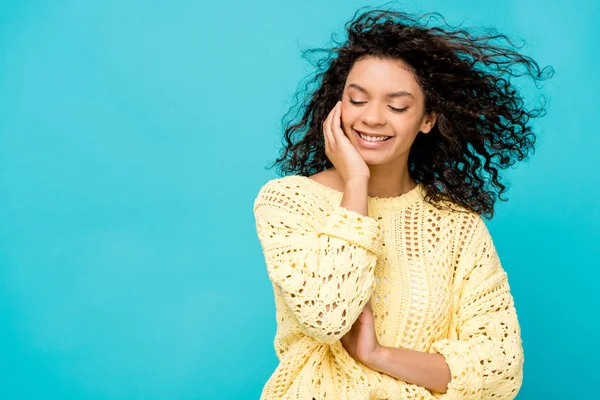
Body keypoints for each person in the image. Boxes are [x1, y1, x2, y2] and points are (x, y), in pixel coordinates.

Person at [252, 7, 552, 400]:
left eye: (396, 106)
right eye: (357, 100)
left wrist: (379, 355)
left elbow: (501, 368)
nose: (372, 118)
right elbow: (327, 316)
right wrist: (356, 181)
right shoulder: (288, 202)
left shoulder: (458, 226)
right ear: (336, 106)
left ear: (427, 119)